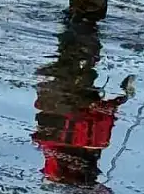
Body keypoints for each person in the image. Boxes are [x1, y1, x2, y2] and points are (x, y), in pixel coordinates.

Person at [31, 21, 133, 186]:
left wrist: (120, 100)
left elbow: (102, 116)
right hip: (65, 102)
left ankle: (77, 24)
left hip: (68, 103)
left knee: (80, 52)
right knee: (79, 52)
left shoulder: (87, 147)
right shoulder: (61, 156)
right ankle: (77, 23)